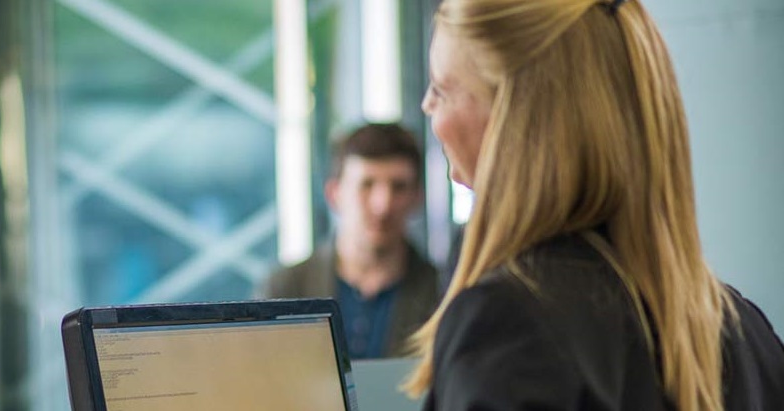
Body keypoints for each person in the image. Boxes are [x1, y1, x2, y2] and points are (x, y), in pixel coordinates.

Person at [406, 0, 784, 409]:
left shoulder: (509, 324)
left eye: (442, 89)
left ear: (513, 119)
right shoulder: (743, 330)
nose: (427, 106)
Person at [259, 124, 439, 359]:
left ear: (417, 197)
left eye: (399, 187)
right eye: (366, 185)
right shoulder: (284, 290)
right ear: (335, 194)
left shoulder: (442, 293)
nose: (382, 205)